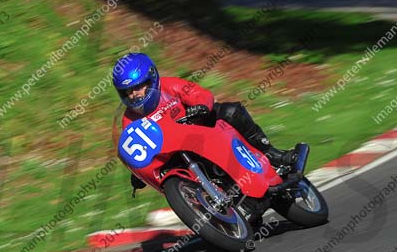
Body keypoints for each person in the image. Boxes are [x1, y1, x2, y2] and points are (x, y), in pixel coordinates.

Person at [111, 53, 300, 193]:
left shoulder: (169, 85)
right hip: (173, 153)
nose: (133, 94)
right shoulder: (128, 119)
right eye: (126, 91)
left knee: (230, 111)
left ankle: (270, 153)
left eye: (137, 87)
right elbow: (136, 144)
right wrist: (138, 171)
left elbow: (198, 93)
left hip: (199, 128)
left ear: (151, 78)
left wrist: (200, 106)